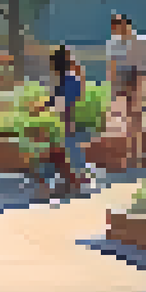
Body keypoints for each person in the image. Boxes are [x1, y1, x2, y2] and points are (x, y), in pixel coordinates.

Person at [106, 13, 146, 165]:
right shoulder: (113, 43)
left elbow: (144, 64)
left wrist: (141, 84)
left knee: (136, 115)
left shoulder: (140, 41)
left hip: (136, 76)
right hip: (122, 78)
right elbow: (112, 66)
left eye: (119, 25)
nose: (117, 30)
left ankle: (137, 151)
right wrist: (113, 87)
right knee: (126, 116)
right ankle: (131, 151)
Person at [48, 45, 90, 192]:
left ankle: (77, 181)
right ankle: (77, 179)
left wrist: (47, 105)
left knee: (72, 150)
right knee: (73, 150)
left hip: (68, 119)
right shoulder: (69, 79)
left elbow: (64, 100)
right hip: (69, 119)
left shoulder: (67, 80)